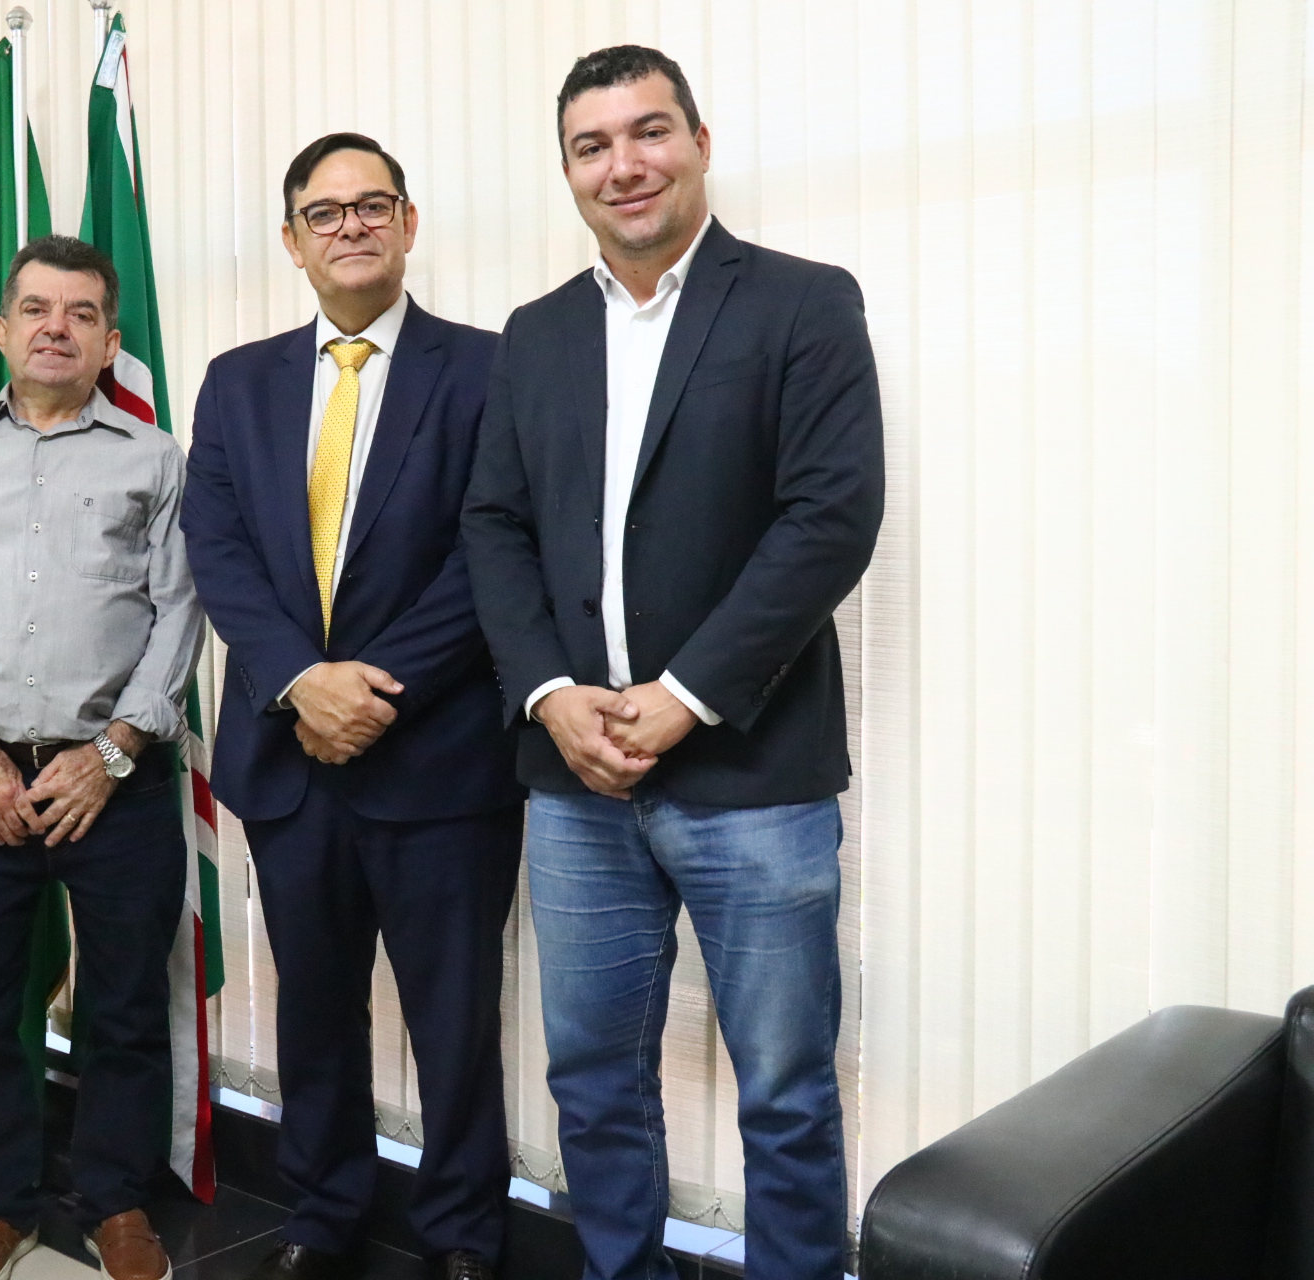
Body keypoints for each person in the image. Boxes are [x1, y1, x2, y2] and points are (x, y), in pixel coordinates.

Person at [461, 46, 885, 1280]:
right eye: (591, 146)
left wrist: (684, 696)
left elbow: (830, 517)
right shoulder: (536, 333)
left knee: (785, 1090)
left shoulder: (803, 303)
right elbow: (493, 524)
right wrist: (551, 694)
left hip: (754, 774)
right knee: (592, 1079)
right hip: (575, 780)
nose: (624, 165)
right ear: (568, 171)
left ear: (700, 143)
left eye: (649, 132)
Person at [183, 134, 525, 1280]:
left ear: (409, 222)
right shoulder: (238, 382)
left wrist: (373, 687)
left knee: (454, 1021)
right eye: (323, 214)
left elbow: (491, 551)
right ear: (292, 242)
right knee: (315, 1013)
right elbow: (218, 548)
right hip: (291, 758)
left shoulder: (487, 368)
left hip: (439, 756)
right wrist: (301, 680)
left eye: (372, 205)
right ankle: (324, 1214)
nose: (351, 227)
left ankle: (464, 1233)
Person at [0, 235, 203, 1280]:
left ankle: (117, 1200)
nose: (55, 328)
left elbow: (179, 612)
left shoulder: (153, 459)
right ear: (1, 329)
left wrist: (113, 749)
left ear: (111, 340)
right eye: (35, 308)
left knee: (124, 1007)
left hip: (118, 783)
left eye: (80, 313)